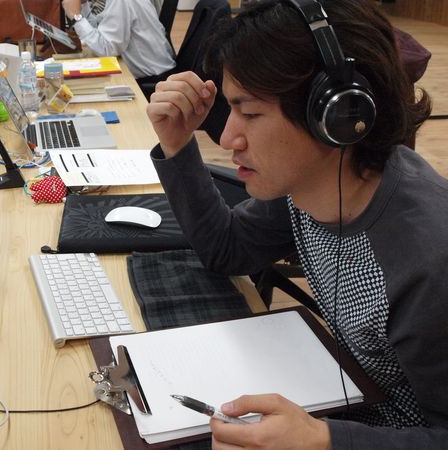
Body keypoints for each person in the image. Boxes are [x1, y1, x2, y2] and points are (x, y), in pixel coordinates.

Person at [146, 0, 448, 449]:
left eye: (250, 113)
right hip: (345, 411)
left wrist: (324, 439)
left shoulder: (429, 262)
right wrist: (177, 143)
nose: (227, 138)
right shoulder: (308, 186)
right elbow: (228, 249)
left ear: (336, 118)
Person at [61, 0, 175, 79]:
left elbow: (107, 49)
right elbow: (100, 32)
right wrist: (83, 6)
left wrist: (76, 17)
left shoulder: (121, 2)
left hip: (152, 80)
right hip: (155, 72)